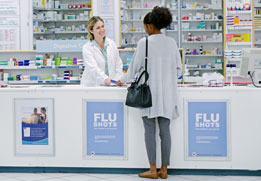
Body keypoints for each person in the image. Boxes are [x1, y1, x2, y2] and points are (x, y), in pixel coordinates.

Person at [117, 6, 182, 179]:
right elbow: (179, 70)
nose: (145, 29)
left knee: (149, 131)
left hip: (149, 95)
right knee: (165, 131)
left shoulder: (144, 43)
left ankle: (152, 170)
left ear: (150, 25)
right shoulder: (172, 43)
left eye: (145, 26)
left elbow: (132, 70)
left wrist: (120, 80)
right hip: (168, 95)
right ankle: (164, 170)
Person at [81, 16, 123, 86]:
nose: (102, 30)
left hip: (111, 84)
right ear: (91, 30)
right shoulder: (87, 48)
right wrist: (105, 79)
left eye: (102, 26)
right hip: (93, 86)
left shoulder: (111, 44)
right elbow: (93, 68)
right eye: (98, 28)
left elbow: (118, 64)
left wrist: (117, 79)